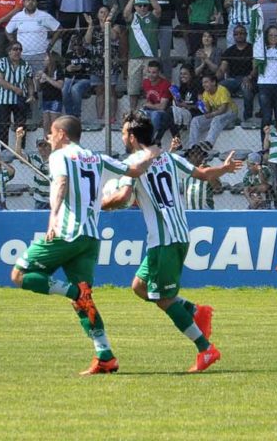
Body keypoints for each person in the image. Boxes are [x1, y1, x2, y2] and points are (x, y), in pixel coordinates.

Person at [10, 115, 161, 376]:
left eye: (51, 133)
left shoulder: (60, 156)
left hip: (68, 233)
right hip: (90, 237)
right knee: (85, 302)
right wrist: (154, 152)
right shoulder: (97, 157)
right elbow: (136, 170)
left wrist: (53, 216)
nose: (49, 137)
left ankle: (72, 291)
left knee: (20, 275)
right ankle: (105, 355)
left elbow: (61, 183)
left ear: (62, 134)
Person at [101, 113, 244, 372]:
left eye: (123, 133)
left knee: (163, 299)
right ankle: (195, 310)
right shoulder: (169, 157)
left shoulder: (132, 164)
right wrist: (223, 169)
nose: (122, 137)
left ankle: (205, 349)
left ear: (132, 137)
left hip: (164, 239)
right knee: (139, 286)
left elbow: (122, 198)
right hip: (177, 234)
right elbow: (201, 173)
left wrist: (101, 204)